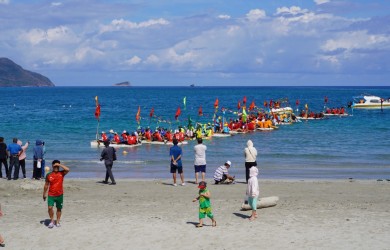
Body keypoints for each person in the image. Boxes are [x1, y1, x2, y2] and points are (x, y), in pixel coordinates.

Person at [43, 160, 70, 228]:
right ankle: (52, 221)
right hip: (51, 195)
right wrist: (44, 194)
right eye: (54, 165)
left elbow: (67, 169)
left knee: (59, 209)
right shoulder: (49, 175)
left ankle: (57, 222)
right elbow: (46, 185)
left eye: (57, 166)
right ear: (52, 166)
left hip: (59, 195)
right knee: (50, 208)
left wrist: (59, 165)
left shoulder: (62, 173)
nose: (56, 167)